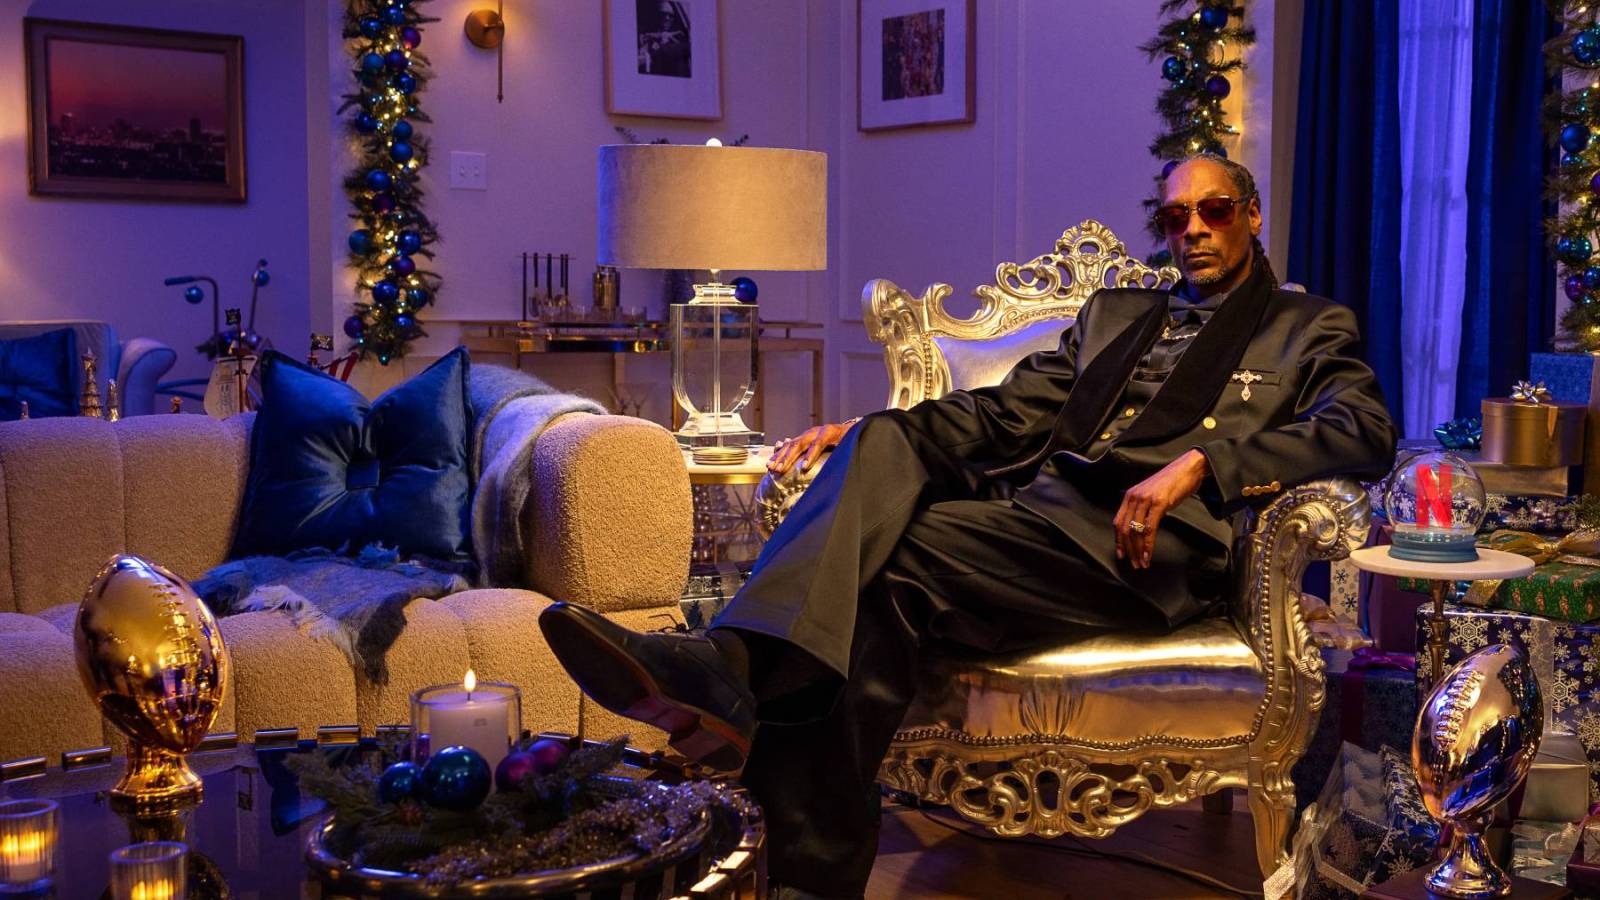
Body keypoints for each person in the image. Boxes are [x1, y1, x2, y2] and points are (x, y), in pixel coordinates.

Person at [539, 154, 1398, 899]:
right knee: (880, 510)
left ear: (1252, 215)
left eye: (1214, 211)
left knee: (887, 558)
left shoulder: (1304, 326)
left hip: (1146, 553)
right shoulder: (1117, 317)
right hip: (1036, 522)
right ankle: (800, 856)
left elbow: (1363, 428)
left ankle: (734, 673)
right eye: (1177, 218)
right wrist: (863, 440)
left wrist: (1207, 463)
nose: (1195, 231)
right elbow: (1005, 413)